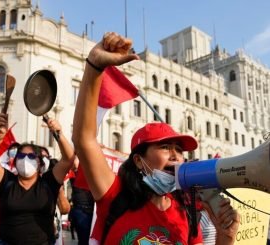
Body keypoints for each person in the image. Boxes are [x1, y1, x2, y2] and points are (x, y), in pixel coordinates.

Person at [72, 32, 240, 244]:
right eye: (165, 147)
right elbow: (84, 139)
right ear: (138, 160)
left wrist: (225, 238)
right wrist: (94, 67)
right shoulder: (114, 194)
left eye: (179, 150)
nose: (176, 156)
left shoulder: (188, 214)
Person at [0, 113, 75, 244]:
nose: (25, 159)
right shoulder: (6, 181)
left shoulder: (49, 182)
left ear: (39, 163)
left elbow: (69, 159)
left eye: (31, 156)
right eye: (21, 156)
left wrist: (58, 134)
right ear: (15, 160)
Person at [69, 158, 95, 245]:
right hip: (81, 210)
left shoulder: (91, 170)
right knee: (84, 241)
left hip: (93, 210)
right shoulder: (73, 173)